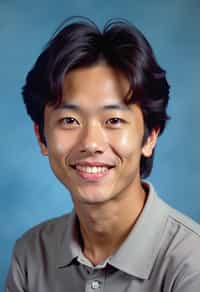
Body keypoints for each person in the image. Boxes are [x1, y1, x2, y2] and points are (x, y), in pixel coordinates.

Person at [6, 17, 200, 292]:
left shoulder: (191, 262)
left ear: (151, 136)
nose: (91, 143)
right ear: (41, 136)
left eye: (113, 120)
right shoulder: (31, 254)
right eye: (70, 120)